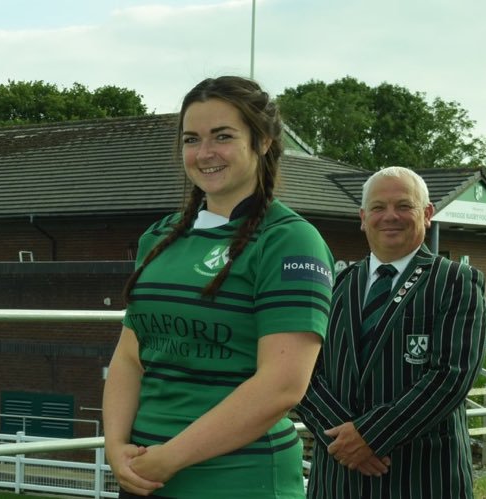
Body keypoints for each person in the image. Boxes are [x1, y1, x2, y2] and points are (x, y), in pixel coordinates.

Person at [102, 76, 334, 498]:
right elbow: (130, 356)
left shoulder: (290, 241)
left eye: (222, 137)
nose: (205, 153)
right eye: (192, 139)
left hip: (240, 479)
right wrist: (116, 447)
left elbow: (282, 385)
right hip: (144, 474)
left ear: (262, 141)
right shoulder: (159, 237)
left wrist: (170, 457)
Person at [296, 166, 486, 498]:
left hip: (422, 479)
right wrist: (345, 442)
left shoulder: (455, 281)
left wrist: (369, 436)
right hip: (339, 480)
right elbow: (304, 373)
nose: (390, 216)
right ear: (362, 217)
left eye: (403, 206)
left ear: (427, 214)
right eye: (378, 207)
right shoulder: (336, 284)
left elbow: (451, 377)